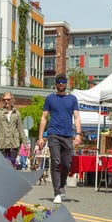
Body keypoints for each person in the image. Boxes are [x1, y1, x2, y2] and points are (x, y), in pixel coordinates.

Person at [37, 73, 82, 204]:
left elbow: (77, 117)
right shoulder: (50, 99)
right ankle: (57, 192)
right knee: (56, 162)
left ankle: (62, 185)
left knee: (67, 164)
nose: (61, 83)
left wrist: (78, 134)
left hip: (68, 135)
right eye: (59, 82)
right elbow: (44, 117)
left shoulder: (72, 99)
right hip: (53, 134)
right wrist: (40, 137)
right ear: (56, 84)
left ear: (66, 83)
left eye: (63, 81)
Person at [0, 92, 28, 167]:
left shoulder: (17, 113)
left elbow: (20, 128)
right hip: (1, 143)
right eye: (4, 100)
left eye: (8, 99)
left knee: (11, 164)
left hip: (13, 143)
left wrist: (25, 142)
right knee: (2, 165)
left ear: (12, 100)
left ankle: (11, 177)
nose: (6, 101)